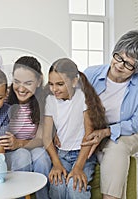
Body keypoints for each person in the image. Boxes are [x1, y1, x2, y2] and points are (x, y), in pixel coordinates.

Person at [82, 30, 138, 199]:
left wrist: (106, 132)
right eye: (118, 57)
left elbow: (137, 122)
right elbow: (77, 109)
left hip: (129, 132)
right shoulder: (91, 73)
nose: (120, 65)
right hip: (94, 129)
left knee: (117, 146)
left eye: (129, 64)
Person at [42, 58, 107, 199]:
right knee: (57, 185)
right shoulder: (50, 100)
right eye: (51, 84)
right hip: (62, 155)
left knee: (75, 187)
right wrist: (56, 164)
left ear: (74, 81)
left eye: (60, 84)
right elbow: (46, 137)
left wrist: (78, 167)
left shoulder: (82, 98)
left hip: (82, 155)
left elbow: (88, 136)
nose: (54, 89)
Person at [0, 56, 50, 198]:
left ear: (39, 81)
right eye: (16, 82)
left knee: (43, 157)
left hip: (32, 146)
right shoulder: (5, 98)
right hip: (11, 153)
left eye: (28, 83)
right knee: (22, 155)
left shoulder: (43, 101)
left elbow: (40, 139)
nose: (21, 88)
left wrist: (19, 143)